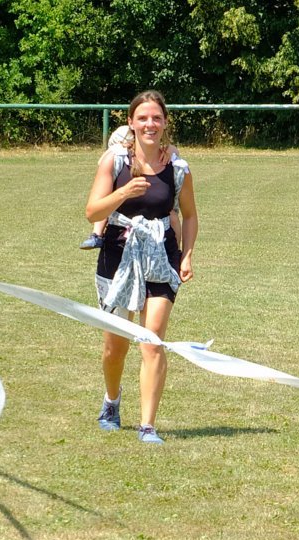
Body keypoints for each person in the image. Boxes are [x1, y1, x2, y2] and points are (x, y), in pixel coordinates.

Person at [85, 90, 198, 444]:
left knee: (152, 343)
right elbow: (93, 212)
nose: (150, 124)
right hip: (118, 254)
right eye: (143, 118)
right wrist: (124, 193)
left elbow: (191, 215)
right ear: (131, 123)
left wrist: (188, 254)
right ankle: (112, 402)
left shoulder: (178, 167)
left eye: (157, 118)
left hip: (162, 255)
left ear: (165, 123)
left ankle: (148, 425)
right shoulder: (114, 162)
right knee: (114, 347)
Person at [80, 126, 182, 249]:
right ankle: (96, 235)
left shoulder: (158, 148)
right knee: (107, 206)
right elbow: (93, 211)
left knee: (173, 217)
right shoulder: (117, 153)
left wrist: (169, 152)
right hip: (119, 232)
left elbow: (173, 149)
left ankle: (176, 251)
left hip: (161, 220)